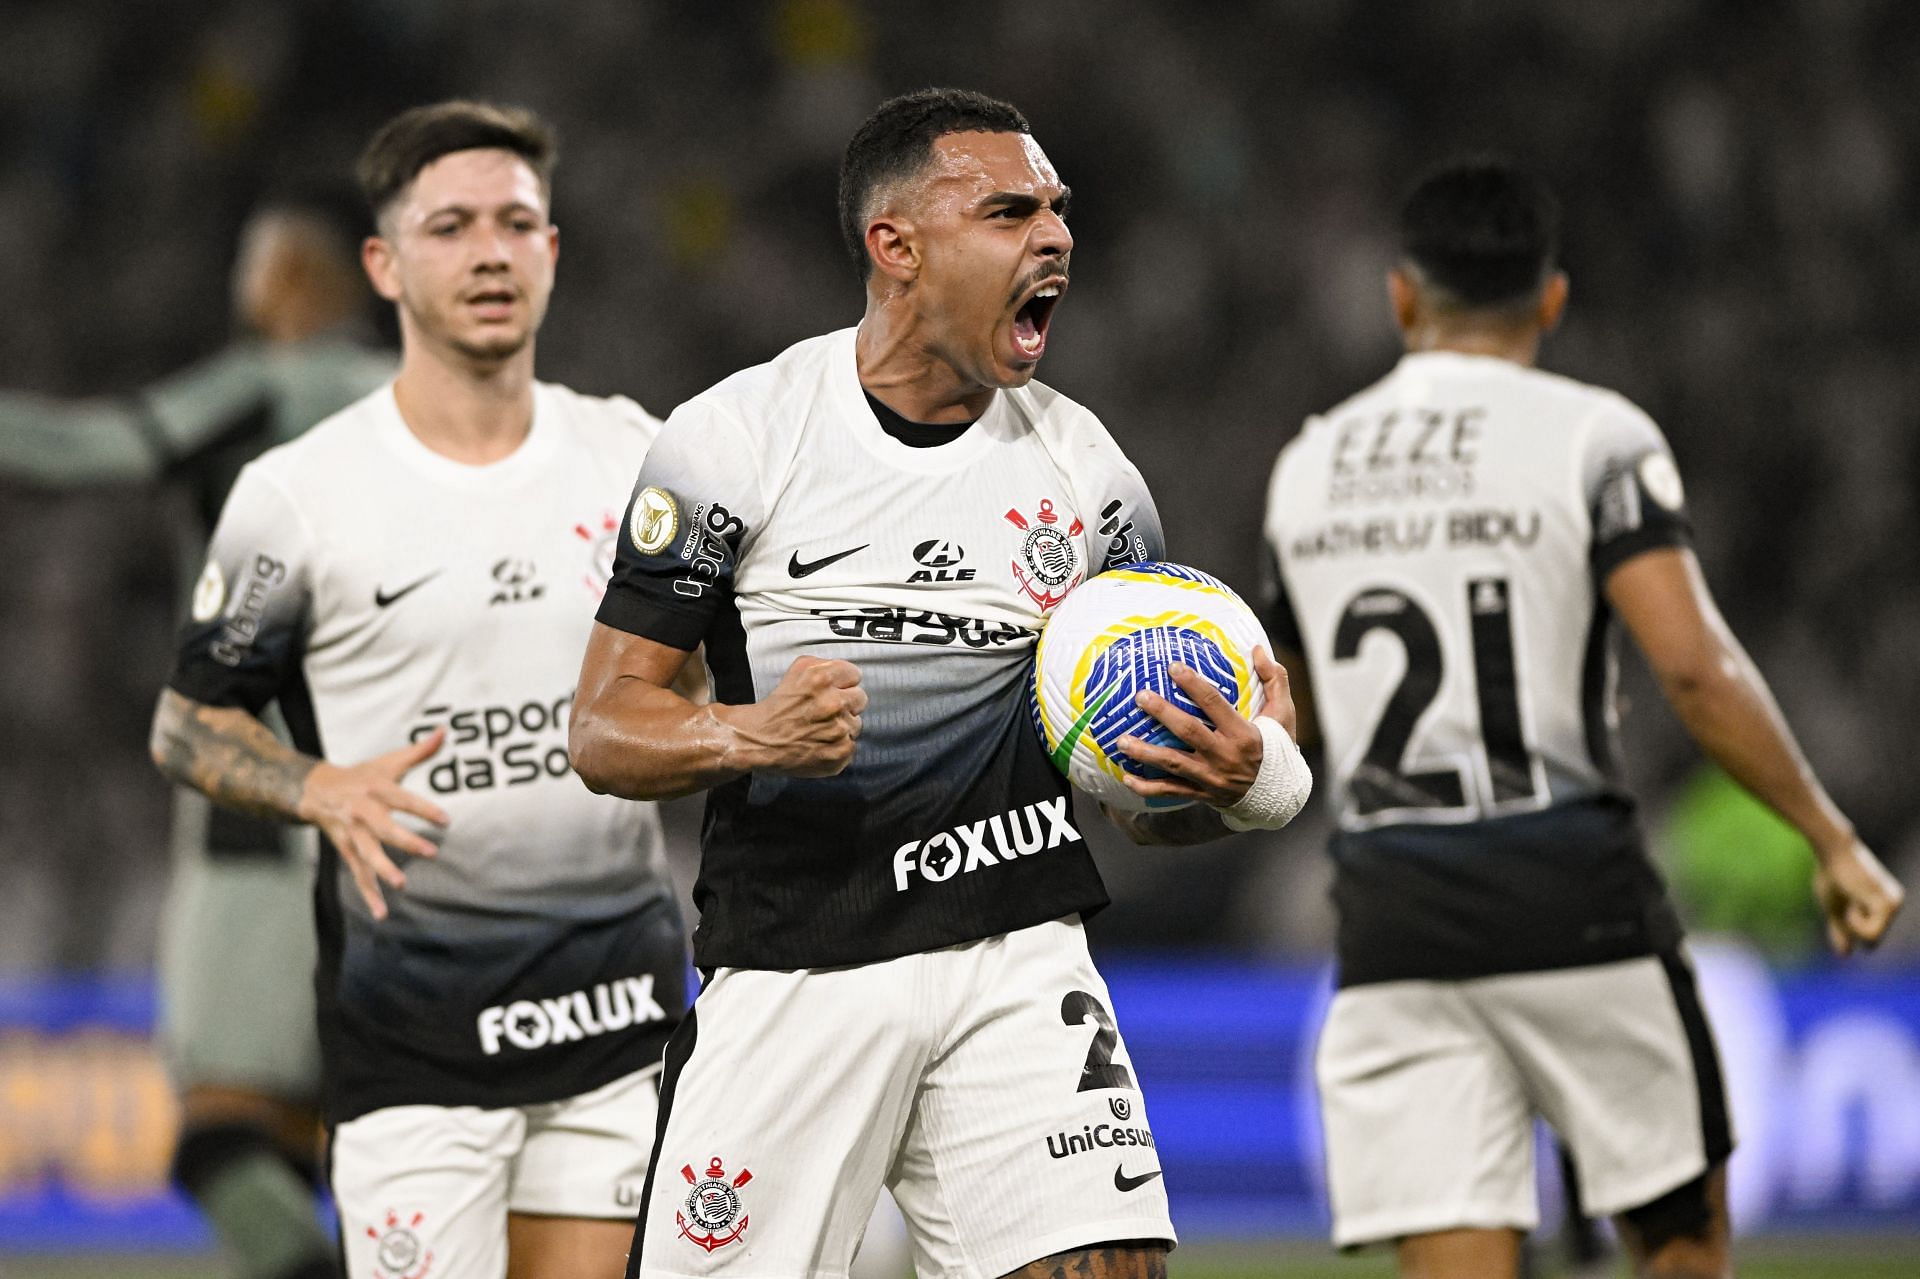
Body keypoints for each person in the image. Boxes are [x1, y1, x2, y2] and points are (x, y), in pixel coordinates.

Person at [569, 87, 1309, 1279]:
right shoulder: (740, 441)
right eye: (1011, 209)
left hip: (1015, 948)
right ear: (895, 246)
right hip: (799, 959)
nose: (1056, 235)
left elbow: (1133, 799)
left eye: (1059, 209)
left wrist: (1251, 778)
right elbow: (604, 728)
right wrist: (750, 736)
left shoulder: (1091, 476)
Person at [1261, 160, 1905, 1279]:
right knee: (1681, 1240)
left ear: (1401, 296)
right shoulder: (1594, 436)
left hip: (1392, 912)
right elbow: (1696, 672)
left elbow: (1294, 715)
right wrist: (1831, 836)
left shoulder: (1306, 468)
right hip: (1571, 892)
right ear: (1550, 298)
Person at [149, 100, 689, 1279]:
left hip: (614, 1029)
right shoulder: (296, 498)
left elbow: (702, 673)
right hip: (413, 1052)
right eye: (450, 226)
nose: (490, 251)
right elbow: (189, 722)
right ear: (383, 266)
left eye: (516, 222)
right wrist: (317, 785)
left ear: (553, 249)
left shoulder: (643, 461)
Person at [0, 188, 392, 1279]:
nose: (245, 288)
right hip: (422, 822)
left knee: (225, 1140)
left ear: (308, 277)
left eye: (259, 262)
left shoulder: (266, 390)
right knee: (368, 1146)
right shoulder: (445, 402)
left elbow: (81, 450)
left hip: (261, 826)